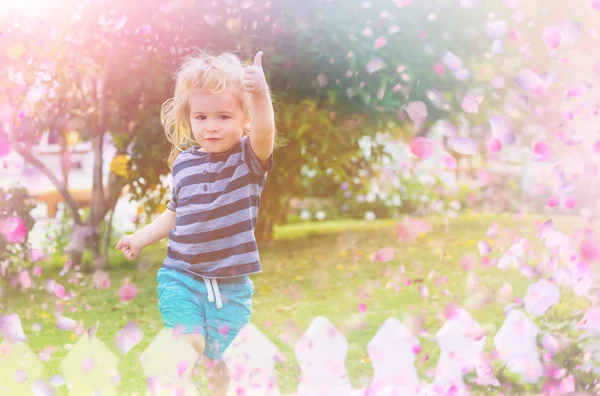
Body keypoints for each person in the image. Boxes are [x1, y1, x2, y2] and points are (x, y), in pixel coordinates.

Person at [115, 49, 278, 395]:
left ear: (244, 119)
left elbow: (265, 134)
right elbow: (174, 212)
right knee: (190, 342)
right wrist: (141, 238)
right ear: (189, 118)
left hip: (231, 287)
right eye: (201, 117)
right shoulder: (184, 164)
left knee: (221, 365)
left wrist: (260, 94)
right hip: (181, 276)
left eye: (223, 116)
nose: (212, 126)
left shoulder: (248, 159)